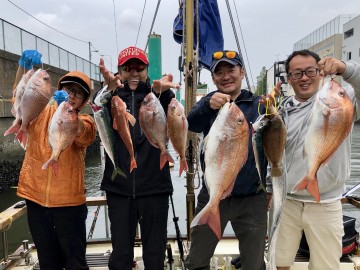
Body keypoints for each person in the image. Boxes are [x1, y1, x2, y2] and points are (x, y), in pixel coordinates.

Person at [269, 49, 360, 270]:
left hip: (326, 203)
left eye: (311, 71)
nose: (304, 77)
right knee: (279, 262)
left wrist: (344, 68)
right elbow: (274, 155)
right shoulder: (282, 110)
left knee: (325, 266)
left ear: (320, 73)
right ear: (289, 78)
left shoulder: (345, 103)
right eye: (297, 73)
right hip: (286, 201)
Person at [95, 46, 179, 270]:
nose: (134, 72)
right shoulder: (111, 97)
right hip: (119, 189)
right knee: (121, 255)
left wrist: (166, 93)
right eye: (127, 67)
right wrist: (107, 89)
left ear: (147, 69)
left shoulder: (157, 96)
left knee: (154, 254)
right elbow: (96, 109)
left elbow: (175, 117)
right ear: (119, 71)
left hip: (155, 188)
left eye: (139, 67)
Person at [184, 50, 268, 270]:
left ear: (242, 72)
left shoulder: (260, 105)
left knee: (254, 262)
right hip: (214, 194)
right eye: (218, 72)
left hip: (252, 197)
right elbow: (190, 124)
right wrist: (205, 105)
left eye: (231, 69)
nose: (225, 76)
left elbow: (275, 139)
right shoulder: (209, 105)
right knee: (196, 260)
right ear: (212, 79)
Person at [13, 50, 97, 270]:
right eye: (68, 89)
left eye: (78, 94)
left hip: (69, 205)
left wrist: (72, 118)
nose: (71, 96)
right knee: (48, 263)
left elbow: (85, 134)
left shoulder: (85, 120)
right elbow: (19, 99)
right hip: (36, 201)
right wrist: (23, 68)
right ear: (59, 89)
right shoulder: (40, 111)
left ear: (84, 101)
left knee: (75, 263)